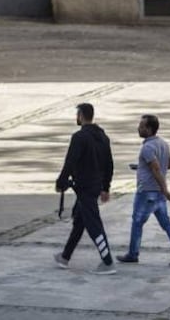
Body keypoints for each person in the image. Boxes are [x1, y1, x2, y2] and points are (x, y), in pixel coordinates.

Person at [117, 115, 170, 267]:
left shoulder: (147, 147)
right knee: (166, 223)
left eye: (141, 126)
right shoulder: (163, 143)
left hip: (147, 192)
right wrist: (141, 167)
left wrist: (166, 190)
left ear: (149, 129)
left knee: (137, 222)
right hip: (158, 194)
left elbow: (156, 168)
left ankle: (133, 254)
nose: (138, 128)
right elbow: (167, 165)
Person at [54, 103, 116, 275]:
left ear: (81, 115)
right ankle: (65, 257)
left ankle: (108, 262)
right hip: (95, 186)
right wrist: (106, 187)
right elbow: (109, 164)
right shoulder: (103, 137)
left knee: (94, 225)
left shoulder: (79, 137)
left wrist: (61, 182)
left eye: (77, 115)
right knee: (79, 222)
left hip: (84, 187)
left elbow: (70, 162)